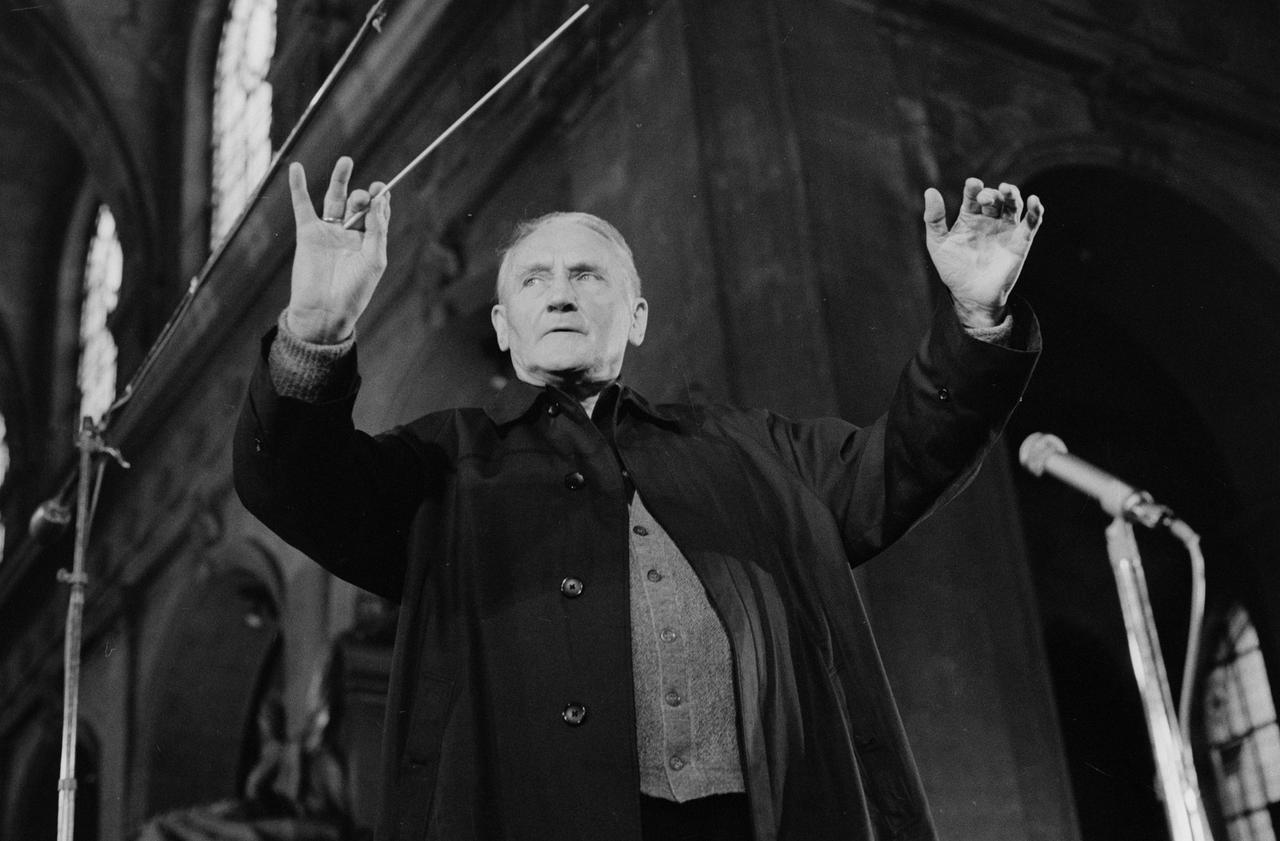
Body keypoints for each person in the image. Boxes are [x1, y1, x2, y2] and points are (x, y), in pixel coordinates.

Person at [234, 155, 1043, 841]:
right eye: (534, 279)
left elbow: (901, 460)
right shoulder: (445, 466)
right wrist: (313, 330)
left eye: (587, 275)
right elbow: (298, 483)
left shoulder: (749, 448)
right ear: (505, 326)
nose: (560, 294)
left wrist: (975, 320)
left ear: (640, 316)